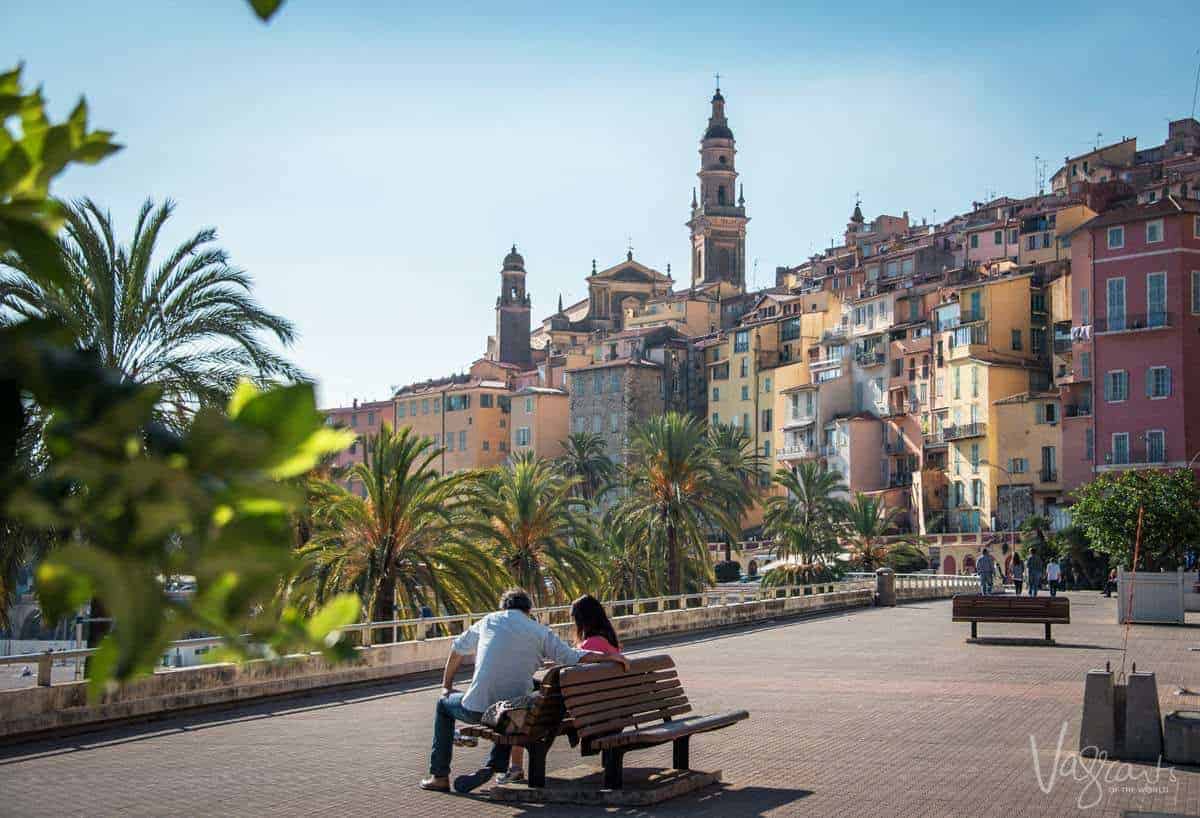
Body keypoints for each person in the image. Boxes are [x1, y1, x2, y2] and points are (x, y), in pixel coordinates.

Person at [420, 589, 630, 794]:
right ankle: (495, 764)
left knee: (443, 705)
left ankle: (439, 776)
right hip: (515, 713)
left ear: (504, 608)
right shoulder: (539, 631)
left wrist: (446, 686)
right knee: (515, 703)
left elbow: (456, 650)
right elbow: (574, 656)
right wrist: (607, 657)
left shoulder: (489, 620)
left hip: (480, 709)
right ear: (528, 611)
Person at [501, 594, 623, 784]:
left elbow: (568, 678)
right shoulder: (608, 641)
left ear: (582, 619)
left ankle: (515, 767)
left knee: (520, 700)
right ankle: (514, 766)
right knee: (529, 692)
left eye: (574, 618)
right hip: (607, 708)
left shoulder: (591, 644)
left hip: (584, 710)